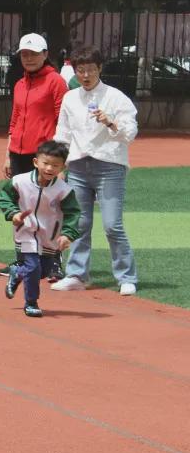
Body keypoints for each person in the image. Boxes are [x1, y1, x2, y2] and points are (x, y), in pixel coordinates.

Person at [52, 45, 139, 296]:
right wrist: (59, 167)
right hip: (78, 165)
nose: (86, 75)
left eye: (91, 69)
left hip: (109, 165)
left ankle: (126, 276)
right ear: (75, 71)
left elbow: (130, 132)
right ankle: (77, 274)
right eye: (81, 70)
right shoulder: (70, 98)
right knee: (79, 222)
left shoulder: (116, 97)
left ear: (100, 68)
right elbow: (63, 135)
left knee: (112, 224)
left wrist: (110, 121)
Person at [0, 33, 67, 277]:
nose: (28, 58)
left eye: (34, 53)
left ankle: (54, 262)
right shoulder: (19, 84)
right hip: (18, 153)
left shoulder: (56, 81)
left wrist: (59, 157)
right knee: (22, 209)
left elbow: (63, 119)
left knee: (50, 208)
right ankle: (23, 260)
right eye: (24, 54)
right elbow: (15, 120)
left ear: (46, 55)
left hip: (44, 156)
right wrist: (8, 154)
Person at [0, 140, 81, 318]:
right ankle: (31, 302)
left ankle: (17, 273)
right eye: (46, 163)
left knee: (44, 271)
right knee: (33, 268)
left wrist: (68, 234)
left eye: (55, 165)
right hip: (25, 231)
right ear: (36, 162)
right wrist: (14, 214)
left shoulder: (64, 190)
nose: (50, 168)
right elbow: (4, 198)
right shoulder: (19, 181)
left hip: (49, 235)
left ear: (62, 167)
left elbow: (73, 213)